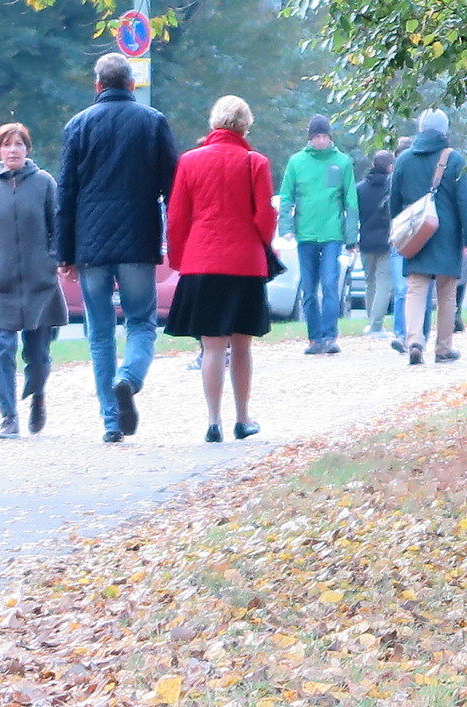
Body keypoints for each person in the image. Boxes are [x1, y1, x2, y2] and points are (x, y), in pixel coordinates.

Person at [56, 52, 177, 443]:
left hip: (90, 244)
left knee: (99, 332)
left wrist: (64, 253)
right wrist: (174, 239)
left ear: (97, 85)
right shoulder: (152, 122)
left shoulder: (78, 125)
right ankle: (129, 377)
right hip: (138, 241)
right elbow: (172, 187)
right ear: (131, 84)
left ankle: (110, 421)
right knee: (141, 321)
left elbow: (66, 193)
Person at [164, 95, 276, 442]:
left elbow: (177, 217)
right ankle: (243, 418)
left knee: (211, 347)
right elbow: (265, 217)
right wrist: (261, 244)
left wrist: (180, 260)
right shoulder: (255, 162)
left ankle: (213, 422)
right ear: (246, 124)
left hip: (202, 262)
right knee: (242, 346)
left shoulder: (189, 161)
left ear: (213, 122)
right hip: (245, 263)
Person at [0, 123, 67, 438]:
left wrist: (51, 260)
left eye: (19, 144)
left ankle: (37, 395)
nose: (13, 150)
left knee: (38, 355)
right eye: (7, 145)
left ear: (27, 149)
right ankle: (8, 417)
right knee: (2, 352)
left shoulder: (44, 183)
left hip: (39, 285)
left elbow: (58, 226)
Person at [391, 109, 467, 363]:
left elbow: (394, 199)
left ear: (420, 128)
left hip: (415, 232)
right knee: (447, 293)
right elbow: (464, 202)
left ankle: (414, 340)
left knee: (415, 288)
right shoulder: (454, 159)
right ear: (444, 130)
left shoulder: (404, 159)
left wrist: (397, 229)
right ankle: (443, 348)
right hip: (447, 234)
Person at [280, 114, 359, 355]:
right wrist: (286, 228)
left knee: (330, 283)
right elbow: (286, 196)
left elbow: (350, 200)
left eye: (325, 136)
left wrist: (351, 237)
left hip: (332, 234)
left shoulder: (342, 162)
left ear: (330, 137)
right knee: (308, 288)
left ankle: (329, 336)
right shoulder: (297, 162)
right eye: (317, 137)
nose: (321, 141)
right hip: (306, 234)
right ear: (310, 138)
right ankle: (314, 339)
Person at [358, 149, 397, 339]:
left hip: (365, 241)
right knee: (384, 284)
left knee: (369, 283)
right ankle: (376, 325)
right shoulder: (392, 188)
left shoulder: (360, 188)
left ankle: (370, 321)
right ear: (390, 167)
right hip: (386, 241)